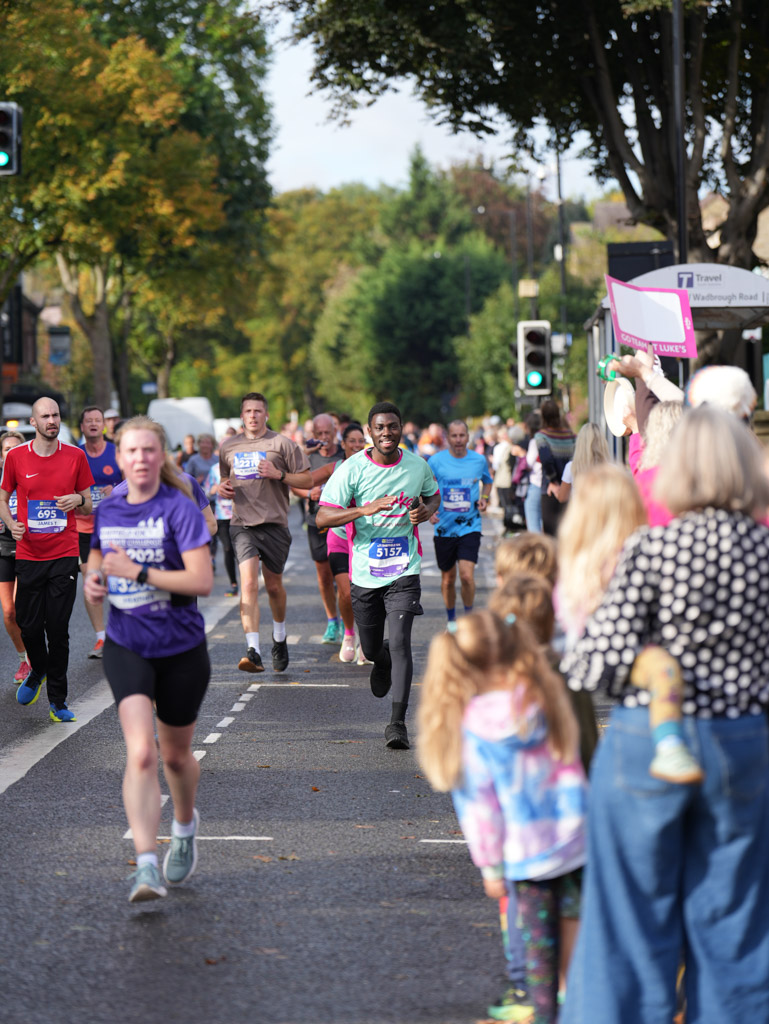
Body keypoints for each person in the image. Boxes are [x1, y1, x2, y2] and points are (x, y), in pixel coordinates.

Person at [560, 407, 769, 1024]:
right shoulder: (765, 552)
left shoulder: (651, 548)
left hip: (646, 740)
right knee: (737, 929)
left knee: (627, 929)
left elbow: (595, 663)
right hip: (744, 741)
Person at [417, 610, 587, 1024]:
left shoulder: (471, 728)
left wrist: (491, 865)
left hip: (526, 858)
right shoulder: (543, 698)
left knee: (539, 963)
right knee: (578, 961)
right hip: (578, 841)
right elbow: (572, 767)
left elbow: (482, 809)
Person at [84, 416, 213, 903]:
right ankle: (145, 866)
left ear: (162, 457)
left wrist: (136, 571)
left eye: (148, 451)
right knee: (140, 752)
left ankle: (184, 826)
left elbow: (200, 581)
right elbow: (99, 559)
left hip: (180, 649)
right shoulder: (110, 508)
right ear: (119, 459)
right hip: (128, 643)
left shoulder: (178, 509)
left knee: (176, 756)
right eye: (131, 451)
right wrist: (96, 578)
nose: (140, 459)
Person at [557, 463, 702, 783]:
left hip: (592, 670)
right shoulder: (643, 551)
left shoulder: (576, 559)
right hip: (649, 667)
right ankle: (668, 744)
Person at [317, 401, 440, 749]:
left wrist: (425, 511)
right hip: (365, 573)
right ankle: (379, 656)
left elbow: (433, 497)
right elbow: (322, 518)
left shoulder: (417, 466)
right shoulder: (352, 469)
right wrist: (363, 509)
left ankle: (397, 723)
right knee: (371, 649)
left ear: (401, 429)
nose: (387, 433)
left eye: (393, 426)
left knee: (402, 641)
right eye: (380, 427)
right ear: (370, 432)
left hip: (405, 568)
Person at [0, 397, 94, 721]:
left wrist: (78, 498)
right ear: (34, 421)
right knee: (27, 625)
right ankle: (37, 668)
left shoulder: (75, 456)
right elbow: (3, 495)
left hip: (64, 553)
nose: (52, 420)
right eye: (45, 416)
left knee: (57, 628)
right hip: (27, 553)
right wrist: (11, 523)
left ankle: (58, 702)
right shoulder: (15, 457)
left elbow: (89, 505)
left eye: (55, 415)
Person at [218, 392, 312, 673]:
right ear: (242, 415)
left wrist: (279, 474)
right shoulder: (229, 446)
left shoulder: (282, 444)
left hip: (275, 523)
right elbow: (224, 478)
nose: (253, 415)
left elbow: (306, 480)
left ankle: (279, 638)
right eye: (248, 411)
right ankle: (253, 650)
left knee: (272, 586)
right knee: (248, 584)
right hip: (242, 524)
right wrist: (223, 487)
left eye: (258, 411)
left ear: (266, 415)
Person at [427, 419, 492, 622]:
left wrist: (485, 499)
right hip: (444, 528)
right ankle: (452, 620)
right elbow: (424, 489)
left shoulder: (478, 460)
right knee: (448, 580)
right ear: (447, 438)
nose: (458, 440)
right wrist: (429, 510)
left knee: (466, 576)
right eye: (454, 436)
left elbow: (488, 482)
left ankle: (469, 619)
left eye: (461, 435)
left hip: (470, 526)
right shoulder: (435, 461)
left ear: (468, 437)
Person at [290, 414, 344, 643]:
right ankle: (333, 622)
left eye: (327, 433)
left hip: (343, 522)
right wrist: (308, 493)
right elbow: (294, 485)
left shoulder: (344, 454)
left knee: (344, 577)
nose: (324, 438)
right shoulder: (308, 457)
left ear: (335, 430)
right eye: (319, 434)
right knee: (323, 576)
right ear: (313, 435)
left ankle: (349, 621)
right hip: (316, 520)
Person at [76, 406, 122, 658]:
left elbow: (133, 482)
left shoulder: (116, 452)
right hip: (83, 528)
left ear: (103, 425)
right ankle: (101, 638)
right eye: (88, 421)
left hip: (114, 526)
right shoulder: (75, 454)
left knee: (114, 579)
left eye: (98, 420)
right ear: (81, 427)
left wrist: (116, 489)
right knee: (91, 580)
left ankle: (120, 632)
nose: (94, 424)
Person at [319, 421, 367, 663]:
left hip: (366, 539)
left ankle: (367, 637)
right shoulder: (336, 467)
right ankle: (349, 634)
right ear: (344, 444)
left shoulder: (374, 469)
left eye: (361, 441)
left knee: (367, 594)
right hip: (338, 537)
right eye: (353, 441)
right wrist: (281, 475)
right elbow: (306, 480)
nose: (357, 445)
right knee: (346, 593)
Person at [0, 430, 31, 685]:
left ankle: (36, 657)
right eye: (6, 449)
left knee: (23, 609)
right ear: (1, 457)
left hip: (28, 547)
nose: (10, 453)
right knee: (9, 612)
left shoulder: (31, 478)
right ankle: (24, 659)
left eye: (15, 448)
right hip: (3, 549)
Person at [534, 400, 575, 537]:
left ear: (543, 416)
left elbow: (546, 459)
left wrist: (553, 481)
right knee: (568, 531)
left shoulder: (541, 436)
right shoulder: (570, 435)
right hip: (570, 487)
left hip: (550, 488)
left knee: (551, 533)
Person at [548, 422, 610, 504]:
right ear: (603, 442)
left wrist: (556, 490)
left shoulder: (571, 467)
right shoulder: (612, 469)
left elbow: (562, 497)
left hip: (581, 514)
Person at [205, 461, 238, 597]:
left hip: (242, 514)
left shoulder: (241, 465)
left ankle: (252, 577)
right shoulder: (214, 468)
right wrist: (217, 488)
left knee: (243, 550)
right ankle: (233, 584)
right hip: (222, 516)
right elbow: (208, 491)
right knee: (228, 548)